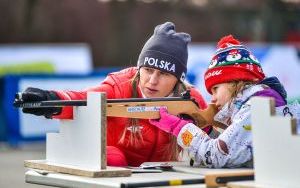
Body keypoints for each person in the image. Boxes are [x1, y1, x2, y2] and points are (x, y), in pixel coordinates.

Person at [18, 22, 212, 167]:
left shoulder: (190, 98)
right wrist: (50, 100)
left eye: (163, 74)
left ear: (178, 79)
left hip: (162, 174)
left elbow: (215, 137)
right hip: (117, 172)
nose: (152, 80)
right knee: (114, 158)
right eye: (147, 70)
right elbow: (82, 100)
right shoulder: (119, 86)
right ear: (139, 69)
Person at [150, 35, 292, 168]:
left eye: (215, 89)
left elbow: (217, 156)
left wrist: (178, 127)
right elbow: (237, 154)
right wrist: (207, 130)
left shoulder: (257, 105)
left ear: (234, 81)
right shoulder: (263, 100)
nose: (212, 98)